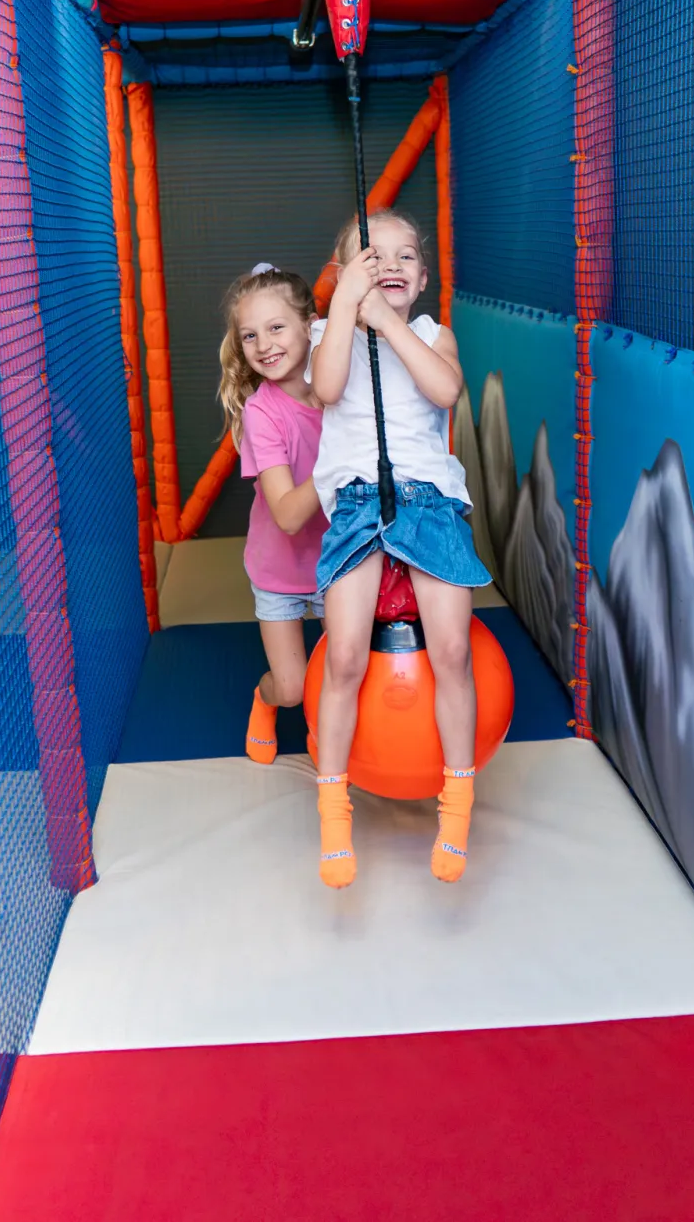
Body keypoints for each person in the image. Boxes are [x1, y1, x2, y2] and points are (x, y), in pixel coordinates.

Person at [307, 210, 491, 890]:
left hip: (429, 503)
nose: (390, 264)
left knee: (452, 652)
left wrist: (387, 323)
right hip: (358, 502)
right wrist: (347, 309)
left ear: (422, 277)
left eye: (405, 256)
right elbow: (327, 389)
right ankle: (333, 810)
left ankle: (457, 802)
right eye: (371, 256)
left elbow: (446, 390)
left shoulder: (433, 334)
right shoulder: (326, 335)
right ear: (343, 274)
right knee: (345, 656)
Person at [218, 264, 327, 765]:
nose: (264, 345)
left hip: (340, 563)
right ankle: (263, 702)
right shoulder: (262, 413)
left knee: (344, 672)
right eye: (250, 335)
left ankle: (325, 733)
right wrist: (342, 461)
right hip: (279, 570)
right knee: (292, 688)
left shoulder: (342, 391)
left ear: (310, 324)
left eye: (277, 327)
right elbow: (287, 516)